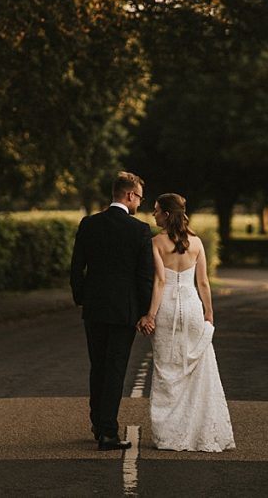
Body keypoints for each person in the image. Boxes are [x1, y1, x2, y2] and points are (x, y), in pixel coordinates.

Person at [139, 193, 235, 452]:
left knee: (166, 369)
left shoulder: (156, 242)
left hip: (168, 309)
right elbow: (203, 282)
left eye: (157, 210)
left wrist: (150, 314)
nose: (153, 214)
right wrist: (209, 311)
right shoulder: (197, 243)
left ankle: (169, 434)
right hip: (192, 308)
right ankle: (197, 430)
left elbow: (160, 282)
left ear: (167, 214)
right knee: (194, 369)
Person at [70, 171, 155, 451]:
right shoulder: (139, 230)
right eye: (139, 198)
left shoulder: (89, 224)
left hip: (94, 308)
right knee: (115, 369)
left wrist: (83, 297)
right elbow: (145, 277)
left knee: (99, 366)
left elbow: (76, 268)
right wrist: (145, 312)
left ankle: (98, 423)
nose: (139, 204)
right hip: (124, 311)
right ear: (129, 195)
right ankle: (107, 433)